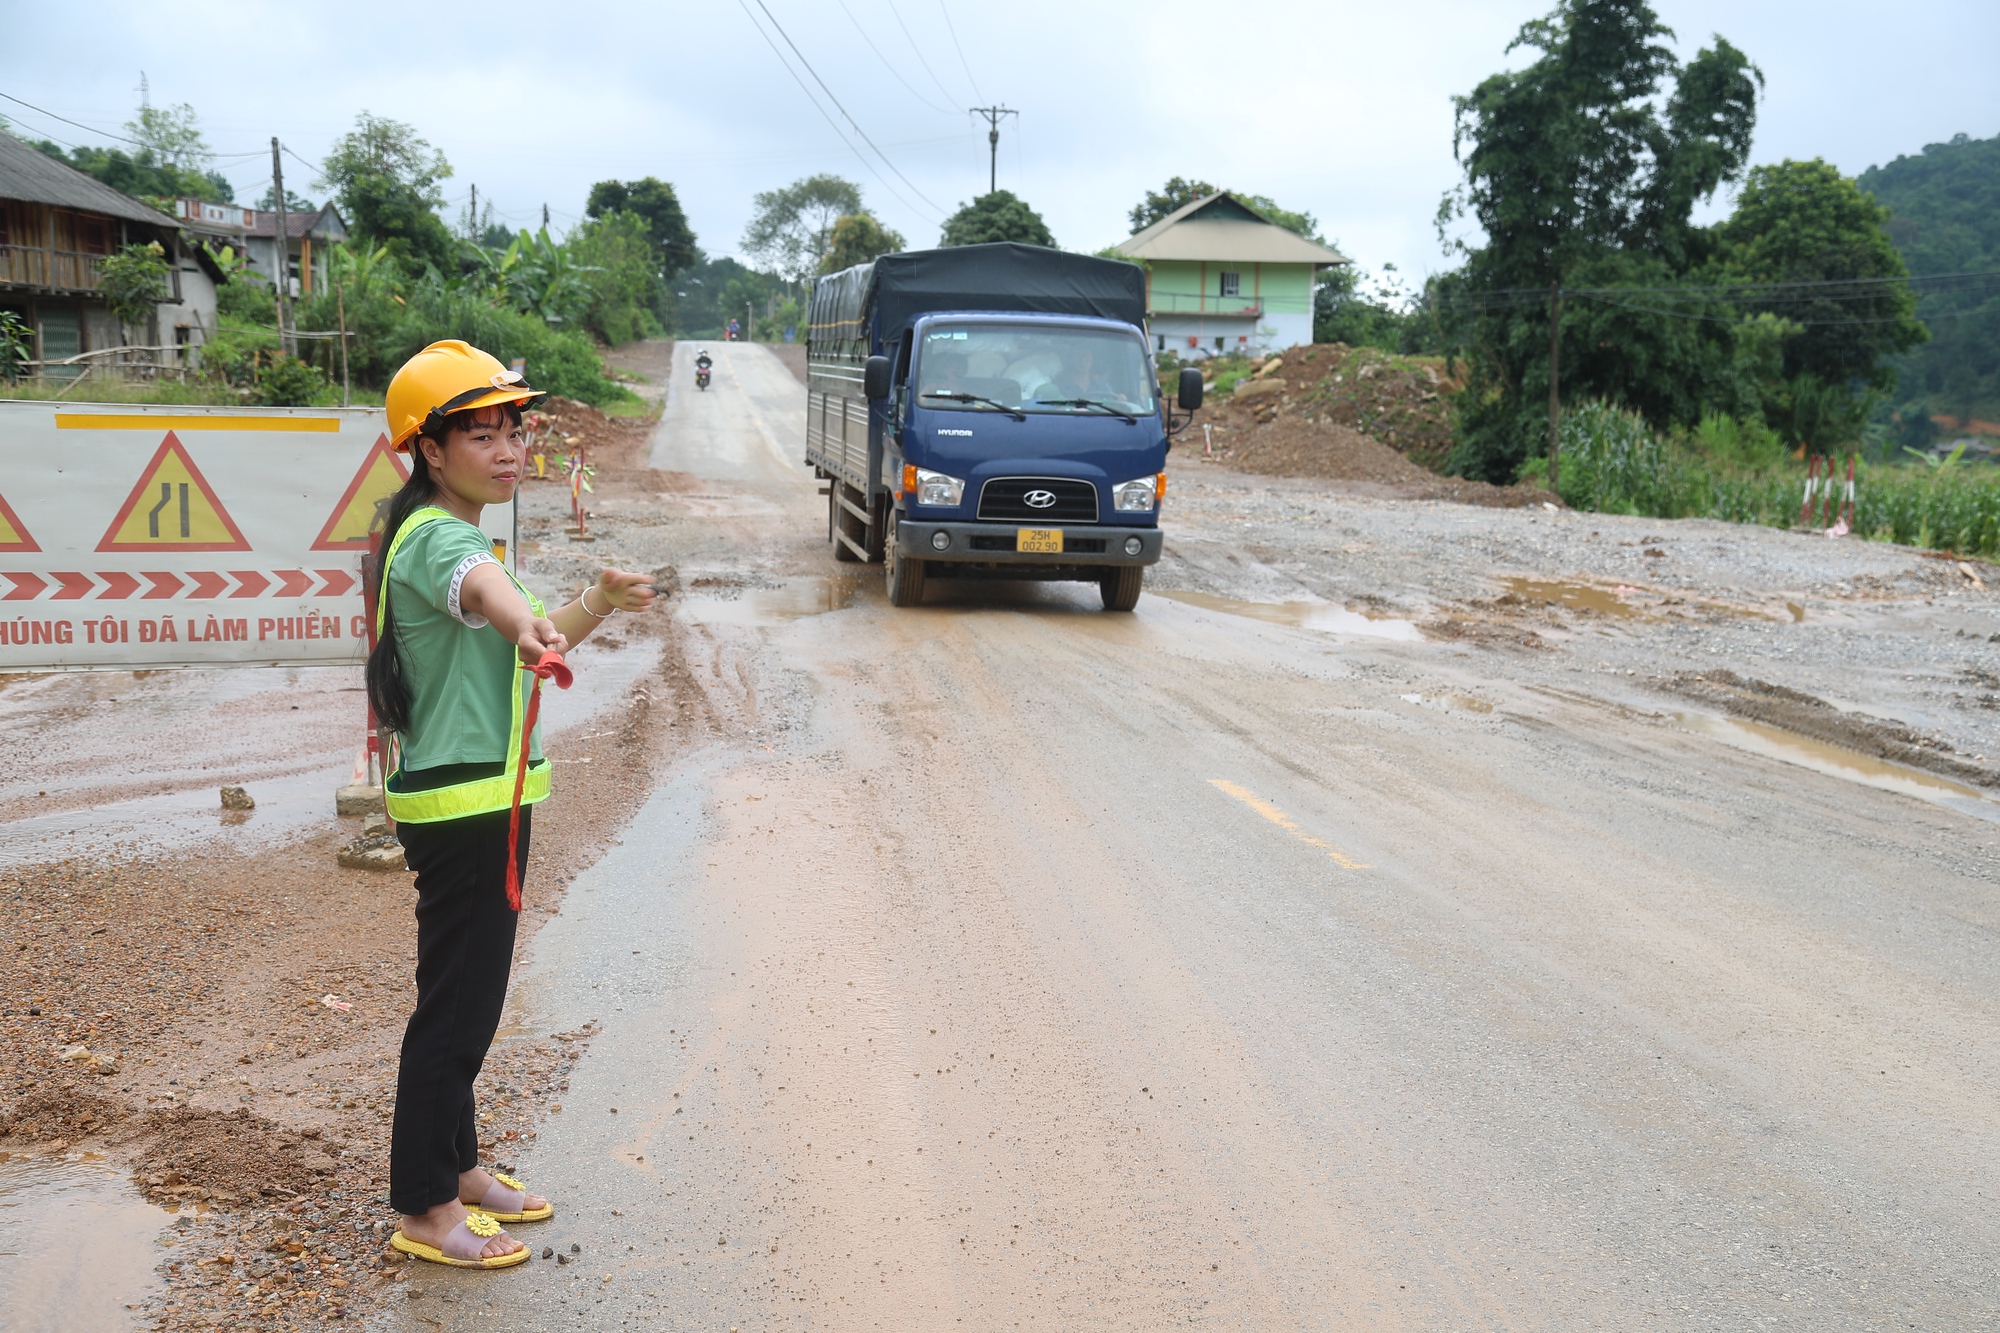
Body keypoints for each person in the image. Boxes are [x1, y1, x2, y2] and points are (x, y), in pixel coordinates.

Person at [370, 340, 658, 1270]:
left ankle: (457, 1169)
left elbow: (524, 633)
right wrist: (520, 615)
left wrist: (593, 603)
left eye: (511, 430)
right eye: (479, 434)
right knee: (460, 1008)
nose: (506, 451)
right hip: (462, 812)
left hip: (480, 800)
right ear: (430, 447)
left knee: (458, 993)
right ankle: (422, 1203)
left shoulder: (459, 533)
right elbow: (489, 599)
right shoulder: (442, 543)